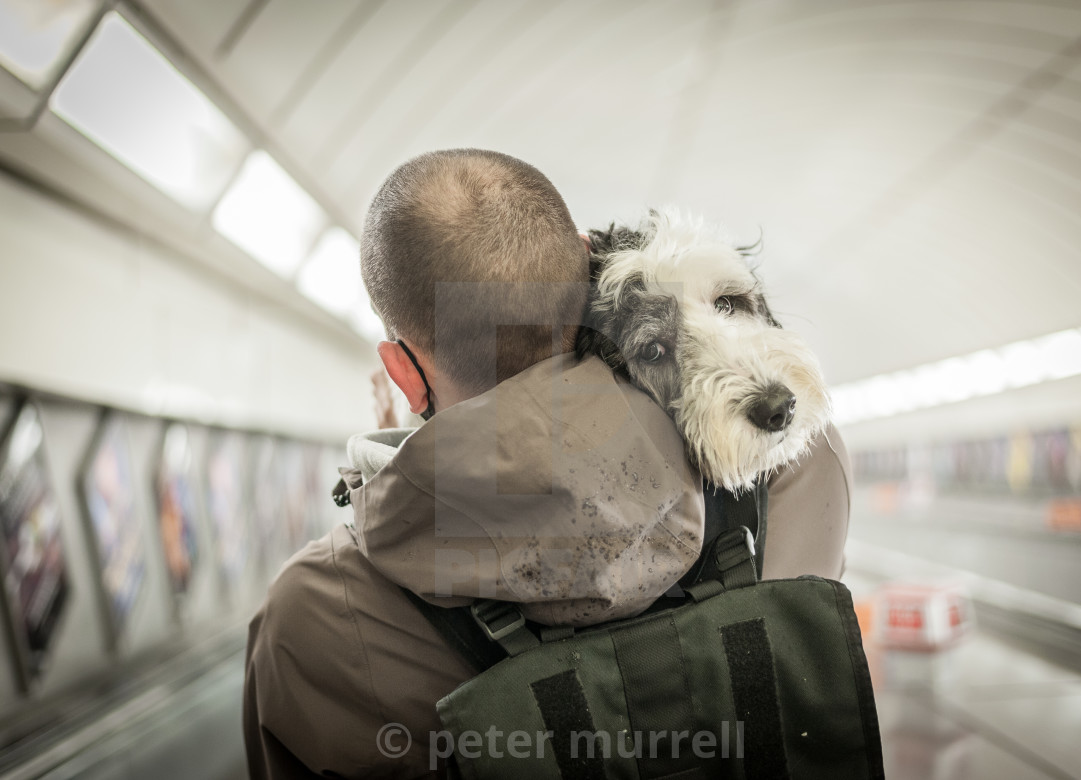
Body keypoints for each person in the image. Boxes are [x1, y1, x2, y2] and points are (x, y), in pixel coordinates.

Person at [242, 149, 851, 778]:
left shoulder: (310, 618)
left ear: (401, 373)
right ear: (589, 263)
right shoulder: (797, 464)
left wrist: (408, 449)